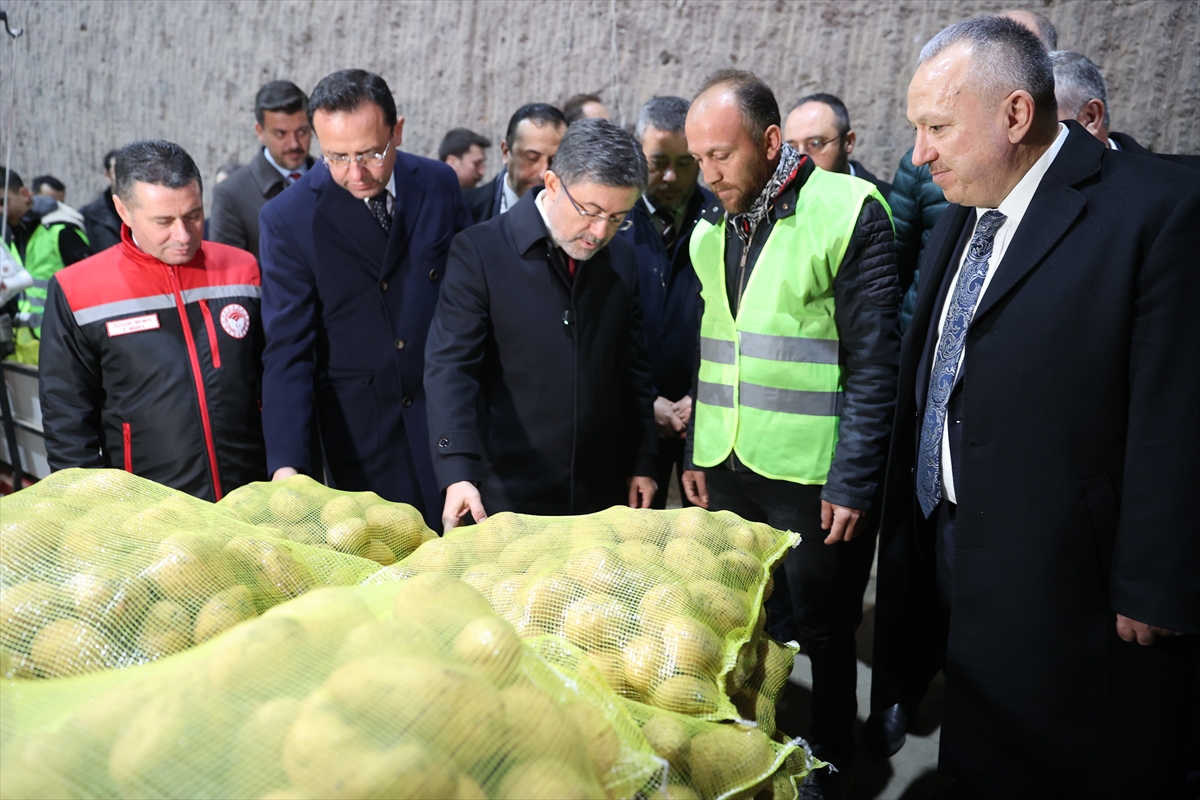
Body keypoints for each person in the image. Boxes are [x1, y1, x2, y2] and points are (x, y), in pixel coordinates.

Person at [870, 17, 1199, 797]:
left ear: (1016, 115)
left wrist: (1155, 581)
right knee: (979, 743)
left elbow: (1175, 409)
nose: (920, 154)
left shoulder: (1156, 210)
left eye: (937, 128)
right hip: (955, 543)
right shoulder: (969, 203)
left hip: (1068, 577)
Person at [681, 70, 899, 798]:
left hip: (813, 475)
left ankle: (836, 767)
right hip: (728, 462)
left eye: (721, 156)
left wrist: (854, 478)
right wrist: (695, 450)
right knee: (742, 626)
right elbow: (717, 344)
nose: (708, 175)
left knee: (828, 632)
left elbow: (875, 364)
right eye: (698, 159)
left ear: (771, 143)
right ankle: (751, 755)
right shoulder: (711, 224)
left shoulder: (849, 210)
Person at [259, 69, 472, 530]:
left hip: (453, 421)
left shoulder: (438, 184)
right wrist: (286, 464)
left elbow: (472, 305)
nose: (355, 173)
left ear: (397, 130)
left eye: (372, 153)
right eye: (336, 157)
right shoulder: (286, 219)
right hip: (364, 435)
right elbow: (288, 349)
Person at [426, 118, 657, 528]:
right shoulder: (480, 252)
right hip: (506, 493)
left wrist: (643, 460)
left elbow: (634, 371)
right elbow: (450, 369)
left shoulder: (621, 260)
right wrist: (457, 471)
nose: (600, 232)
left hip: (599, 494)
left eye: (619, 218)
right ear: (552, 184)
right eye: (590, 211)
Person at [38, 140, 266, 500]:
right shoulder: (78, 290)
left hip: (251, 497)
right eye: (163, 221)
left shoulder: (243, 270)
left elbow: (273, 381)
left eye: (193, 215)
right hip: (147, 510)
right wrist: (90, 508)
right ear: (122, 209)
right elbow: (67, 420)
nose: (183, 234)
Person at [617, 95, 714, 509]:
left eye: (686, 162)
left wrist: (702, 396)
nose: (671, 176)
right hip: (630, 414)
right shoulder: (612, 220)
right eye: (658, 162)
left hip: (706, 412)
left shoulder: (722, 219)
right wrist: (645, 401)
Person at [210, 81, 314, 261]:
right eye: (281, 134)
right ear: (260, 132)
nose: (294, 144)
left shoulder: (336, 177)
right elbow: (230, 277)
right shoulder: (231, 195)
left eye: (302, 131)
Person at [1051, 50, 1200, 168]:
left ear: (1091, 117)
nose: (1027, 132)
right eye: (1025, 115)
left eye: (1041, 119)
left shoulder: (1186, 183)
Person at [3, 167, 91, 340]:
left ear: (25, 194)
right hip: (23, 342)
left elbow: (90, 290)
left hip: (62, 340)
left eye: (3, 202)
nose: (1, 210)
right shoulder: (8, 233)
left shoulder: (61, 230)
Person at [465, 103, 566, 224]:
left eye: (555, 160)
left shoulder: (578, 216)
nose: (543, 173)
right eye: (532, 158)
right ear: (506, 152)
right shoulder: (465, 209)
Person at [783, 93, 892, 197]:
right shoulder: (779, 205)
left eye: (815, 144)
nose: (801, 159)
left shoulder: (889, 203)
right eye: (792, 148)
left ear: (848, 142)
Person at [80, 149, 123, 254]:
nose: (124, 176)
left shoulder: (146, 209)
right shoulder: (89, 215)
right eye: (118, 171)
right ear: (107, 176)